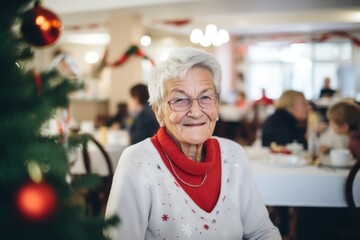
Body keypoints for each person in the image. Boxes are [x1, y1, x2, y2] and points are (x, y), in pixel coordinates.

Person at [105, 47, 281, 239]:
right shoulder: (138, 162)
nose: (196, 112)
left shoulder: (234, 155)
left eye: (205, 97)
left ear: (217, 105)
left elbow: (262, 231)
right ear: (158, 112)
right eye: (180, 100)